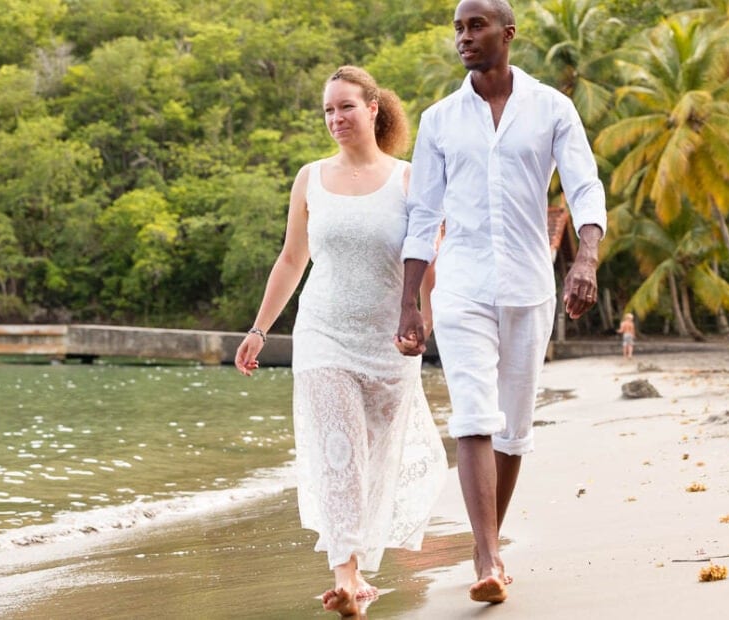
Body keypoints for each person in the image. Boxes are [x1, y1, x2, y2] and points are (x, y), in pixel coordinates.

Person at [396, 0, 607, 605]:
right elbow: (423, 214)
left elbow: (585, 186)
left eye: (476, 26)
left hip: (528, 284)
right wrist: (411, 301)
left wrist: (584, 261)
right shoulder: (439, 120)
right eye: (458, 28)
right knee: (473, 415)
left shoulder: (552, 109)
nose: (463, 37)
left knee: (513, 428)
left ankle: (489, 539)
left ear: (507, 34)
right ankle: (486, 555)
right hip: (460, 282)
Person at [235, 66, 447, 618]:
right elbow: (291, 259)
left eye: (345, 107)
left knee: (373, 460)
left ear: (373, 107)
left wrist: (427, 323)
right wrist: (260, 329)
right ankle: (346, 579)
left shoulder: (409, 178)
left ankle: (360, 568)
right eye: (328, 111)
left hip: (388, 344)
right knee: (337, 455)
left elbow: (428, 266)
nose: (335, 119)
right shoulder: (310, 178)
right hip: (322, 335)